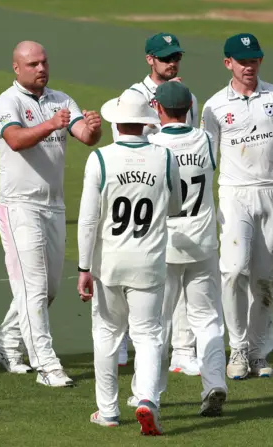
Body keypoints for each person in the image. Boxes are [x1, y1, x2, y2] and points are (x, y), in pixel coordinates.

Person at [0, 41, 102, 387]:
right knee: (33, 288)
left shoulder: (61, 99)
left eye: (44, 62)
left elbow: (84, 135)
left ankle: (6, 343)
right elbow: (16, 140)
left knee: (47, 288)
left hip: (54, 206)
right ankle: (46, 365)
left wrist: (93, 128)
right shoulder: (7, 102)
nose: (41, 68)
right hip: (19, 205)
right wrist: (51, 125)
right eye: (33, 63)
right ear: (17, 68)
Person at [201, 33, 273, 379]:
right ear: (228, 63)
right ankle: (236, 348)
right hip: (235, 194)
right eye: (242, 61)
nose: (249, 67)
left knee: (266, 278)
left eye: (254, 60)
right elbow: (206, 158)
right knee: (234, 271)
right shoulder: (214, 105)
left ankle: (258, 351)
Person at [77, 88, 182, 435]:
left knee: (107, 335)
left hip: (109, 262)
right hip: (149, 261)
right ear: (144, 123)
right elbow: (177, 206)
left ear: (117, 122)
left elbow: (89, 220)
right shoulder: (165, 158)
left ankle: (107, 410)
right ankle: (147, 399)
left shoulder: (101, 159)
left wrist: (82, 268)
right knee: (149, 335)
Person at [115, 31, 199, 376]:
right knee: (130, 274)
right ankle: (120, 341)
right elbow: (126, 146)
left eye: (176, 56)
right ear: (150, 59)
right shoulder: (133, 96)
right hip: (141, 199)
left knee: (179, 277)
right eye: (165, 57)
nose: (172, 62)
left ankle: (181, 351)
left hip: (179, 203)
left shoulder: (187, 96)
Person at [146, 81, 227, 416]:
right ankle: (215, 383)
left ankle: (148, 395)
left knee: (156, 322)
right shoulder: (206, 141)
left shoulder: (152, 145)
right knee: (207, 319)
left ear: (159, 108)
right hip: (204, 242)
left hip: (165, 244)